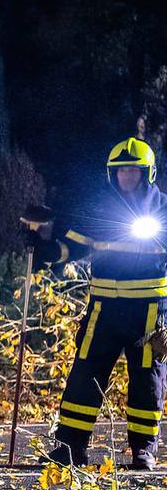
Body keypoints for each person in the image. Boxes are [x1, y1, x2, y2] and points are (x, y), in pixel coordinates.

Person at [24, 137, 167, 469]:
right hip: (103, 309)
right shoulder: (101, 210)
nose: (126, 178)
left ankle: (143, 449)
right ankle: (70, 446)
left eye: (133, 171)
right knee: (85, 374)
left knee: (147, 380)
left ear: (147, 173)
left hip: (148, 314)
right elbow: (74, 246)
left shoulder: (162, 210)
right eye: (120, 172)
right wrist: (45, 250)